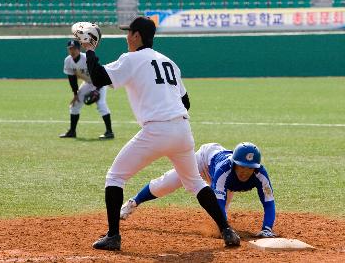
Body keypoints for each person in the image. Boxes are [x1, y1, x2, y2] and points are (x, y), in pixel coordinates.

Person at [80, 16, 240, 251]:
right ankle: (227, 230)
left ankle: (113, 236)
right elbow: (185, 102)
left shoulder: (132, 59)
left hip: (156, 130)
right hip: (183, 130)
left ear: (136, 36)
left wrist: (90, 50)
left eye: (129, 33)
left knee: (115, 177)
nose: (127, 37)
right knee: (195, 182)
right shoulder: (169, 62)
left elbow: (98, 77)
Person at [120, 142, 277, 238]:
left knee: (221, 219)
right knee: (165, 184)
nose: (245, 171)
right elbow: (217, 202)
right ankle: (134, 202)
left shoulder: (261, 175)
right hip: (202, 161)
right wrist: (226, 229)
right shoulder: (224, 171)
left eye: (250, 168)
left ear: (256, 168)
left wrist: (267, 229)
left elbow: (268, 203)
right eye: (241, 166)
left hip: (223, 180)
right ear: (234, 164)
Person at [60, 40, 114, 139]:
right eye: (70, 49)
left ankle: (109, 132)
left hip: (100, 82)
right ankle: (72, 132)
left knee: (101, 104)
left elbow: (99, 73)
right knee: (75, 105)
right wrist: (75, 94)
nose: (72, 51)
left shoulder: (86, 58)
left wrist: (97, 90)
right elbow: (72, 79)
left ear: (79, 49)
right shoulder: (68, 61)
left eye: (74, 49)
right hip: (88, 83)